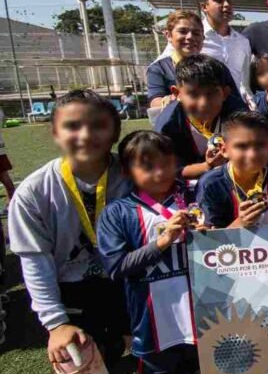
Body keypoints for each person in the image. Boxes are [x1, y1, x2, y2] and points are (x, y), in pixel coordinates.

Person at [9, 90, 130, 368]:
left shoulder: (135, 177)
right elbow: (36, 261)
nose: (86, 135)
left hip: (130, 284)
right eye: (72, 126)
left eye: (98, 125)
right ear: (54, 132)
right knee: (79, 362)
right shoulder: (33, 193)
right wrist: (56, 323)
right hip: (72, 293)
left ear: (115, 131)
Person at [97, 131, 202, 373]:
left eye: (166, 164)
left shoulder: (196, 196)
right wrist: (163, 241)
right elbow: (116, 267)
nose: (159, 172)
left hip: (207, 320)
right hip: (153, 330)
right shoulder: (117, 213)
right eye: (147, 166)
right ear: (126, 171)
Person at [154, 54, 241, 181]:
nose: (203, 103)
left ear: (225, 93)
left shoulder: (239, 114)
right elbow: (168, 172)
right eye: (193, 94)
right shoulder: (168, 125)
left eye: (211, 93)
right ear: (177, 93)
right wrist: (207, 166)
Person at [195, 111, 268, 228]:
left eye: (260, 145)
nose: (252, 154)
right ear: (224, 150)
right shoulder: (210, 185)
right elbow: (209, 241)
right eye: (242, 147)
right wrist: (240, 224)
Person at [146, 10, 244, 110]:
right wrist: (179, 98)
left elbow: (237, 104)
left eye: (196, 33)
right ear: (168, 35)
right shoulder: (159, 69)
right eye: (183, 31)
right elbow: (155, 102)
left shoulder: (217, 67)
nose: (190, 37)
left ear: (203, 37)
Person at [197, 0, 252, 99]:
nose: (227, 5)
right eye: (219, 0)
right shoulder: (192, 38)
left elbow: (244, 83)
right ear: (204, 7)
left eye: (228, 0)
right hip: (204, 109)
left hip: (235, 110)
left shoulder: (243, 42)